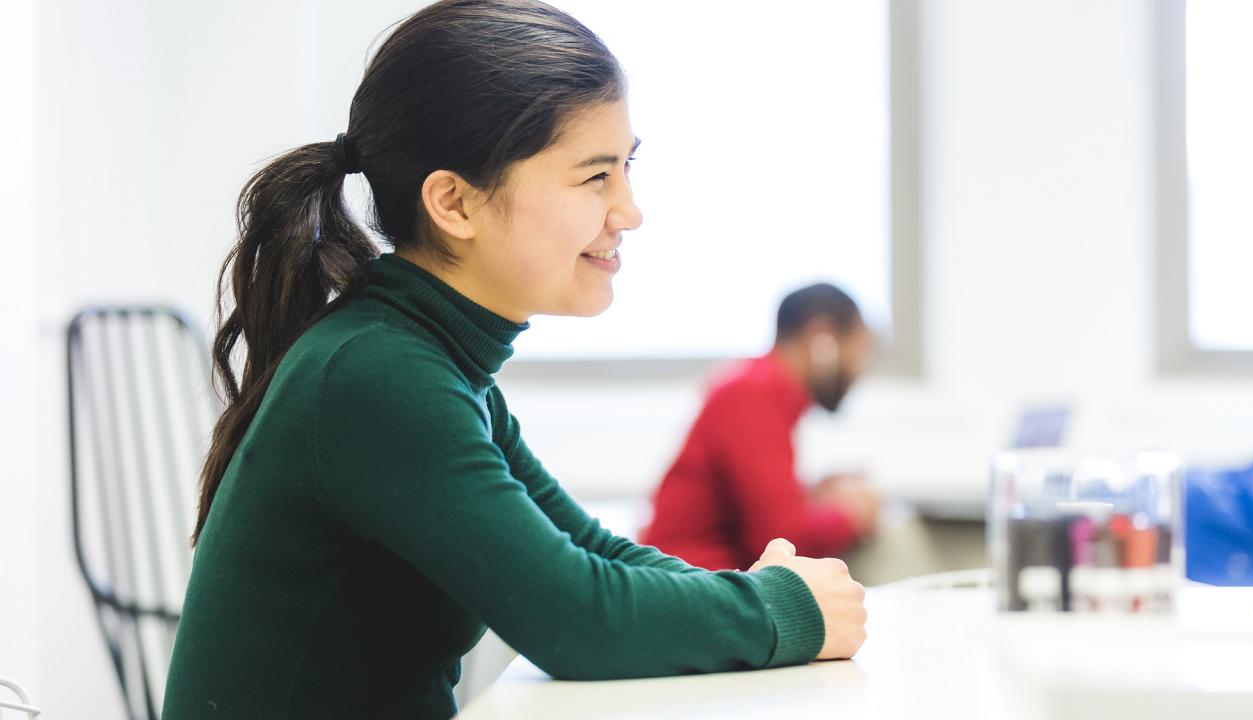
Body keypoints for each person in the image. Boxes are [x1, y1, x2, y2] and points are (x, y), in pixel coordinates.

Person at [161, 2, 867, 718]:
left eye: (627, 167)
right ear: (455, 204)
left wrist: (761, 596)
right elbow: (574, 617)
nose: (629, 211)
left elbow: (593, 555)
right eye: (596, 176)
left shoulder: (432, 364)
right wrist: (778, 606)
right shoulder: (376, 375)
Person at [641, 284, 881, 572]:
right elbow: (779, 543)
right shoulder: (751, 395)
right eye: (861, 350)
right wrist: (851, 515)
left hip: (703, 580)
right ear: (822, 338)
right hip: (690, 586)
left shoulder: (761, 391)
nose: (861, 368)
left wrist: (814, 495)